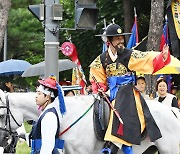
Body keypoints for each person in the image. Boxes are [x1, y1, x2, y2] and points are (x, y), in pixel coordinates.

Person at [89, 23, 170, 154]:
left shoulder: (129, 54)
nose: (121, 41)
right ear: (109, 41)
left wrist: (162, 57)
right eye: (117, 39)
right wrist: (100, 88)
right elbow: (96, 74)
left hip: (127, 93)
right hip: (111, 93)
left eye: (122, 38)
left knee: (122, 112)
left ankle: (112, 147)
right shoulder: (102, 59)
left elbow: (145, 58)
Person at [29, 75, 66, 154]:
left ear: (48, 97)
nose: (36, 96)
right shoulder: (46, 112)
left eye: (39, 94)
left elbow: (48, 145)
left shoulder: (49, 116)